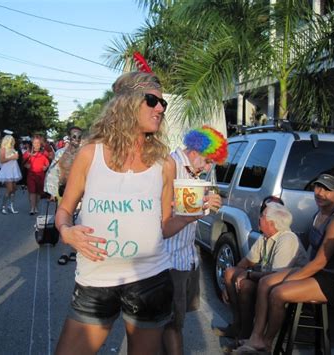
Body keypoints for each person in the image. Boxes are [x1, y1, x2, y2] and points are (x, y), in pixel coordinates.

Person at [53, 71, 218, 354]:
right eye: (152, 100)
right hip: (96, 279)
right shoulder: (90, 155)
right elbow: (64, 210)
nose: (160, 109)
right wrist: (67, 233)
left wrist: (194, 213)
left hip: (150, 280)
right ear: (126, 103)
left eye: (163, 104)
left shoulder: (164, 163)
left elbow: (164, 226)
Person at [234, 172, 334, 354]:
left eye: (327, 190)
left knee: (278, 292)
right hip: (315, 272)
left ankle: (267, 342)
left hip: (331, 278)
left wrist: (292, 278)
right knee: (266, 282)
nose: (320, 193)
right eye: (318, 187)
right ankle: (255, 337)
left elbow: (320, 262)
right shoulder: (318, 215)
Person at [162, 126, 225, 355]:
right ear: (194, 150)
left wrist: (204, 202)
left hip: (186, 257)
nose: (208, 168)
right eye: (207, 161)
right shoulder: (171, 165)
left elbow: (187, 210)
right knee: (172, 323)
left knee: (176, 319)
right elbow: (157, 206)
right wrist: (196, 205)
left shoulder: (192, 173)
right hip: (169, 258)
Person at [217, 199, 307, 343]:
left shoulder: (287, 239)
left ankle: (246, 333)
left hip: (282, 284)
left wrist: (248, 275)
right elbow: (246, 262)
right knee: (229, 272)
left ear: (272, 223)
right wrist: (230, 283)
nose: (259, 217)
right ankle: (237, 325)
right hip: (266, 280)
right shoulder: (265, 237)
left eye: (263, 215)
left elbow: (276, 276)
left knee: (245, 285)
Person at [44, 126, 83, 265]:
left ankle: (74, 250)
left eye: (79, 136)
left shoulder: (85, 154)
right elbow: (53, 172)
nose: (76, 139)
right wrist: (52, 192)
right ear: (69, 137)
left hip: (82, 192)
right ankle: (64, 252)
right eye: (74, 136)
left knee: (78, 221)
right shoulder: (60, 153)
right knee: (65, 221)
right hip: (63, 191)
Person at [22, 135, 51, 215]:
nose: (36, 145)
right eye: (35, 143)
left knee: (38, 193)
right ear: (32, 144)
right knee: (32, 192)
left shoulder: (44, 153)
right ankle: (32, 208)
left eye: (38, 143)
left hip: (41, 175)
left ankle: (36, 206)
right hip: (31, 175)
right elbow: (23, 163)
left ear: (40, 144)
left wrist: (46, 167)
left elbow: (48, 162)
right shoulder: (28, 153)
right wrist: (26, 165)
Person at [0, 134, 21, 214]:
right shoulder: (3, 149)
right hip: (7, 171)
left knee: (14, 189)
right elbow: (2, 160)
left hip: (14, 170)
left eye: (12, 141)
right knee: (9, 189)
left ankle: (11, 206)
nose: (12, 142)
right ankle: (3, 206)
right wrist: (12, 157)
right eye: (10, 141)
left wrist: (15, 157)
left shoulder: (13, 149)